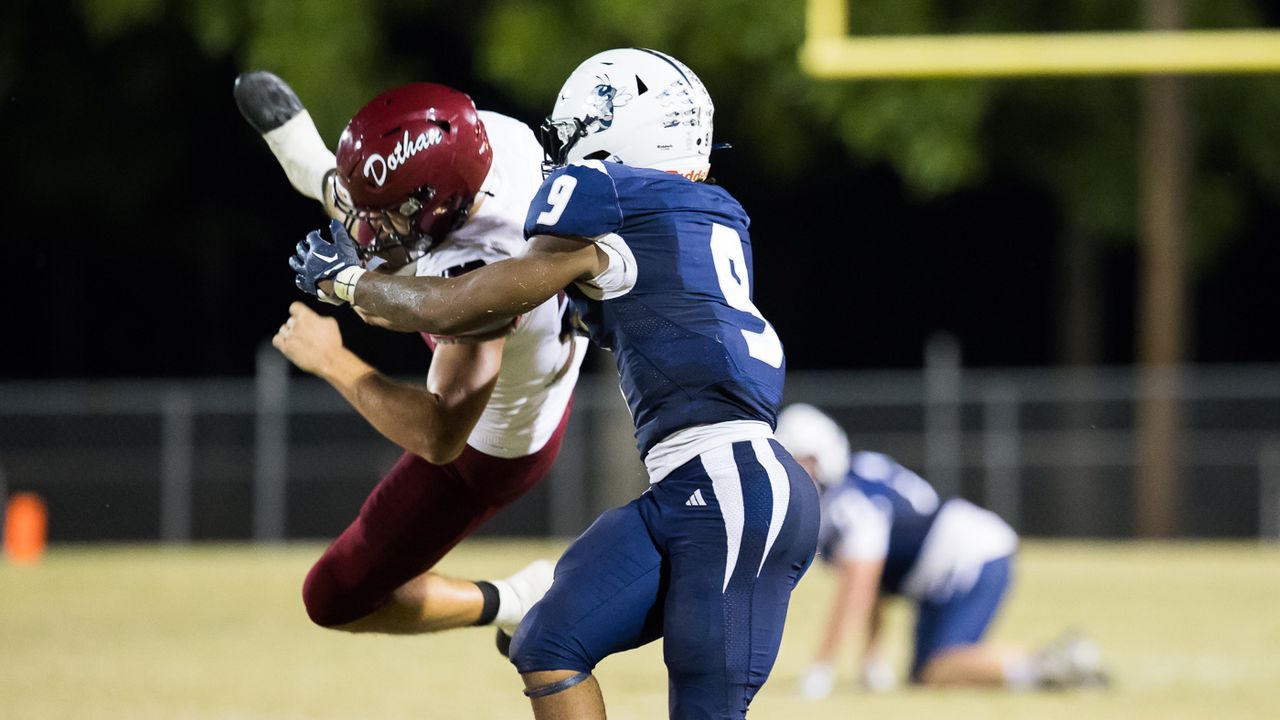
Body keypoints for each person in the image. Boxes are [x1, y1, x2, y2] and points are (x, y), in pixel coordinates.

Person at [285, 48, 821, 720]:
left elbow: (460, 301)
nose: (564, 155)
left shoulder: (611, 199)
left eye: (576, 134)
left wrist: (347, 283)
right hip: (691, 487)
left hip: (734, 487)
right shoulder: (700, 212)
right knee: (547, 639)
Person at [234, 72, 587, 639]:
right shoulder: (490, 144)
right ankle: (330, 181)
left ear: (441, 205)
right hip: (536, 355)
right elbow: (387, 225)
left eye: (389, 213)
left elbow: (438, 436)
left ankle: (519, 599)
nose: (372, 226)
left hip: (487, 447)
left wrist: (330, 357)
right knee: (380, 265)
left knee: (335, 597)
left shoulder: (483, 267)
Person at [773, 403, 1110, 697]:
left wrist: (822, 669)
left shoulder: (847, 503)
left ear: (821, 455)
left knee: (940, 668)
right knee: (926, 674)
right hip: (951, 562)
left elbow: (859, 587)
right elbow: (875, 586)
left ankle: (1048, 667)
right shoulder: (858, 477)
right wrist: (870, 661)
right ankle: (1049, 665)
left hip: (968, 556)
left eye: (800, 460)